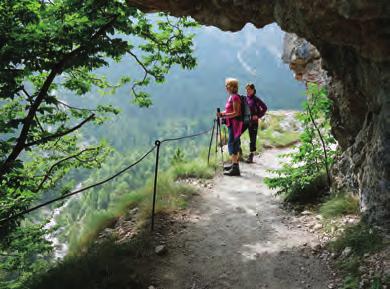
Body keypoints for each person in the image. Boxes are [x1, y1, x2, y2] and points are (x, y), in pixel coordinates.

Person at [217, 78, 243, 176]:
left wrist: (223, 115)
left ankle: (235, 168)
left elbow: (236, 113)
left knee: (233, 144)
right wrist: (221, 114)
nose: (226, 87)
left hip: (235, 125)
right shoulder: (231, 97)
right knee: (232, 144)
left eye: (227, 85)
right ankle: (234, 165)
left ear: (231, 87)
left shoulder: (235, 97)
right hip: (231, 124)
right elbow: (229, 111)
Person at [241, 83, 267, 163]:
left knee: (252, 139)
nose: (247, 91)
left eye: (249, 89)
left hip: (253, 122)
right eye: (246, 89)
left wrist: (258, 116)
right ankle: (239, 153)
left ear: (253, 90)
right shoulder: (245, 99)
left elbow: (265, 108)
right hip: (245, 121)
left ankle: (251, 155)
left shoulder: (256, 99)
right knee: (237, 134)